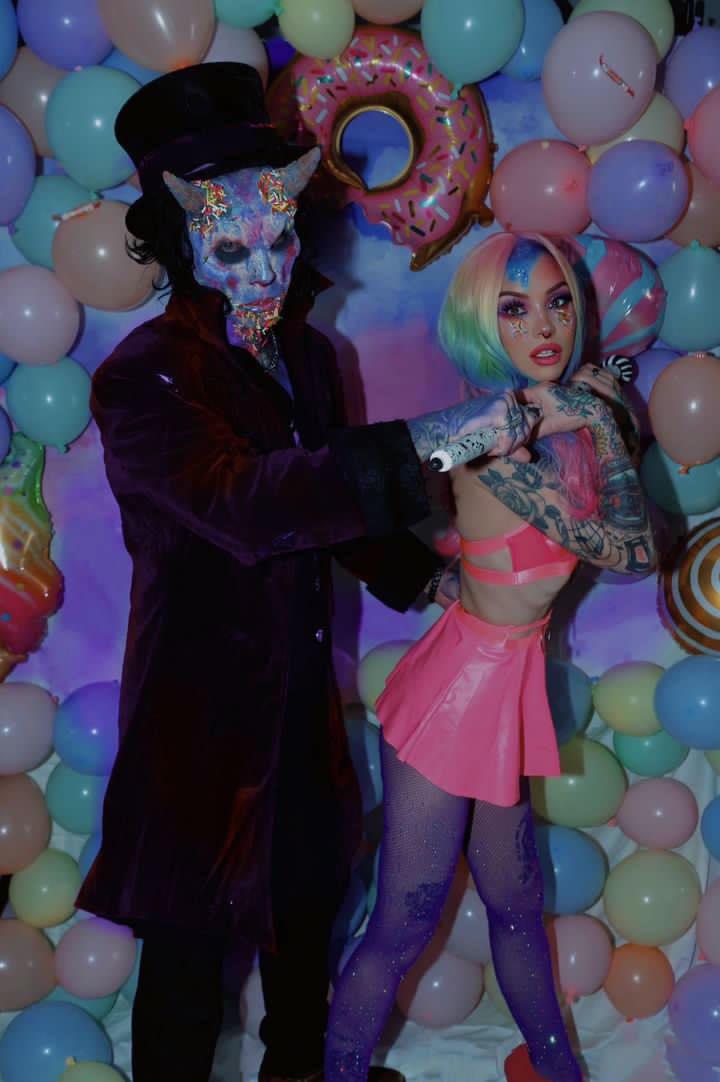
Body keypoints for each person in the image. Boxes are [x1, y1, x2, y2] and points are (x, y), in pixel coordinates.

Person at [74, 64, 535, 1082]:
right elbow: (254, 503)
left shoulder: (313, 359)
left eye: (278, 238)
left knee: (304, 924)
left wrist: (424, 577)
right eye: (231, 246)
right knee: (188, 962)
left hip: (298, 712)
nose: (265, 271)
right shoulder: (142, 377)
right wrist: (447, 436)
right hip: (198, 726)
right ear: (180, 239)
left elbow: (330, 505)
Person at [324, 232, 656, 1082]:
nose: (543, 326)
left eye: (557, 301)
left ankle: (559, 1069)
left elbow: (614, 486)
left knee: (516, 904)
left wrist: (592, 416)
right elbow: (631, 549)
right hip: (455, 695)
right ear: (482, 324)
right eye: (514, 309)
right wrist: (591, 417)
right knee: (404, 924)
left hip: (506, 682)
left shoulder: (557, 424)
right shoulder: (493, 442)